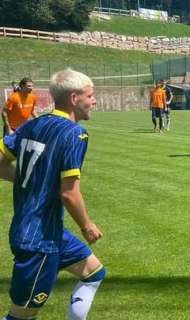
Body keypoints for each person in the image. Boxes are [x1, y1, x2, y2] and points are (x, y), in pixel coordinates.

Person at [0, 69, 105, 320]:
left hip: (48, 231)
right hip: (38, 239)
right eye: (90, 96)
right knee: (21, 315)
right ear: (73, 98)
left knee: (93, 272)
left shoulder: (32, 125)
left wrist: (32, 179)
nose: (94, 101)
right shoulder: (75, 134)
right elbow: (69, 193)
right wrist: (87, 226)